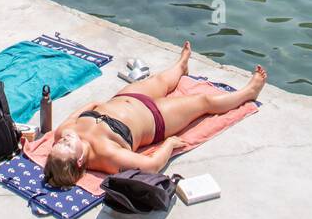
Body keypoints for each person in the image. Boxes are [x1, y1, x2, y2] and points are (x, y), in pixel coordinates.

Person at [42, 42, 266, 187]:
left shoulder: (64, 131)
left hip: (124, 98)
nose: (65, 139)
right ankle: (249, 92)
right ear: (80, 160)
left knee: (158, 81)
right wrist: (168, 145)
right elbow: (150, 166)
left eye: (59, 143)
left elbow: (80, 111)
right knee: (202, 102)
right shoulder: (108, 157)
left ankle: (181, 66)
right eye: (67, 145)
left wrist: (94, 106)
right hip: (155, 117)